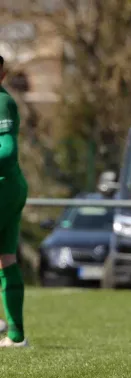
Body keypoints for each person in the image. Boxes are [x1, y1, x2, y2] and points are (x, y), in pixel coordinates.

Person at [0, 54, 28, 347]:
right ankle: (16, 335)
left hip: (4, 187)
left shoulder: (1, 102)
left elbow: (7, 151)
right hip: (10, 186)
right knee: (5, 258)